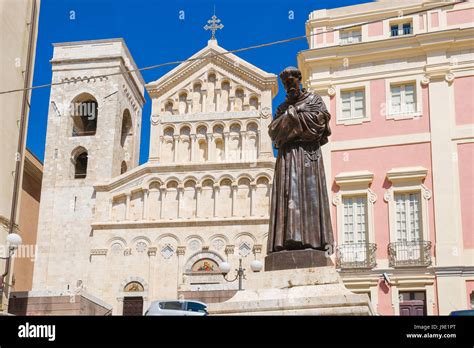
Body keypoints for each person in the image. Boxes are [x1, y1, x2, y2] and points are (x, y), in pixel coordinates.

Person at [267, 66, 334, 253]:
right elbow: (274, 133)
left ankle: (312, 241)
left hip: (308, 158)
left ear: (299, 80)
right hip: (288, 159)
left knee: (311, 197)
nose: (289, 87)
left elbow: (319, 124)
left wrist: (291, 118)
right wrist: (293, 115)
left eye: (292, 82)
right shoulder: (282, 108)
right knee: (289, 197)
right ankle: (288, 240)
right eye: (286, 84)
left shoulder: (314, 100)